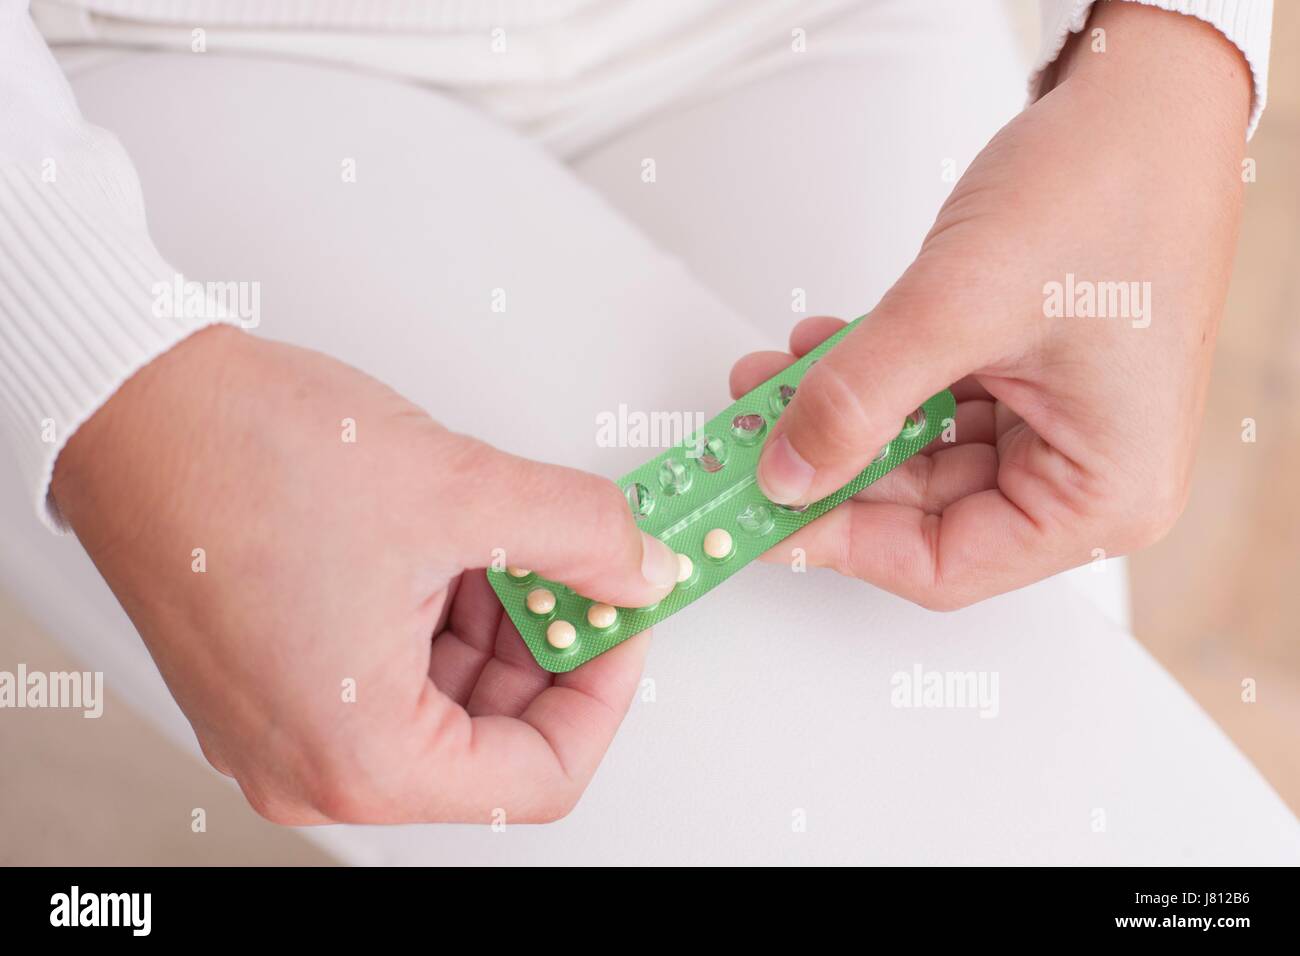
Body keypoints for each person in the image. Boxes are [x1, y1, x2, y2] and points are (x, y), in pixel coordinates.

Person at [2, 0, 1291, 854]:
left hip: (821, 21)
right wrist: (102, 353)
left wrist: (1175, 66)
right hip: (150, 58)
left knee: (1027, 676)